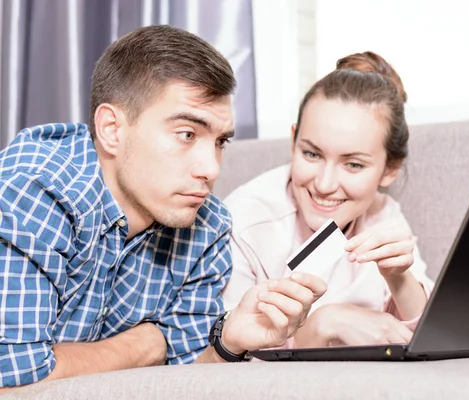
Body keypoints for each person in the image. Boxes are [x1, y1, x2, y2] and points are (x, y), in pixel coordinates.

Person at [0, 25, 326, 392]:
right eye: (187, 134)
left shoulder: (208, 225)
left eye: (220, 141)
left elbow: (184, 380)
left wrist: (228, 343)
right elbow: (13, 379)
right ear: (111, 129)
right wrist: (147, 344)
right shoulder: (36, 188)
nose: (211, 169)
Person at [222, 51, 434, 348]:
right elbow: (225, 357)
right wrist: (322, 325)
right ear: (294, 140)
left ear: (390, 170)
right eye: (311, 153)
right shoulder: (244, 221)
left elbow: (429, 338)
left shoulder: (382, 213)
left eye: (353, 165)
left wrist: (399, 277)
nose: (324, 184)